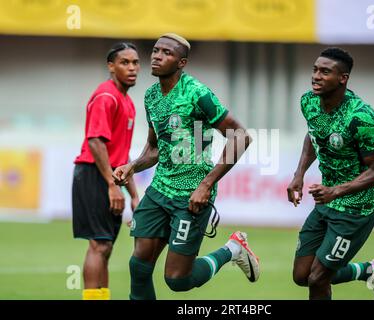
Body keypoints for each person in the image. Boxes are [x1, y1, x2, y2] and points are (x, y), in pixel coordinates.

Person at [112, 33, 260, 300]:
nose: (157, 56)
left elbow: (241, 136)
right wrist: (132, 165)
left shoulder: (197, 93)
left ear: (181, 63)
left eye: (166, 53)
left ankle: (232, 249)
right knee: (139, 265)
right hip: (159, 190)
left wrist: (206, 185)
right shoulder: (151, 96)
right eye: (156, 50)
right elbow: (155, 148)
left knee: (177, 281)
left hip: (191, 194)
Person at [287, 47, 374, 300]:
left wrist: (336, 191)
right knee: (302, 275)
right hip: (328, 201)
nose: (316, 76)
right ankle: (369, 270)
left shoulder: (360, 117)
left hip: (359, 206)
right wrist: (299, 174)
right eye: (315, 70)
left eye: (325, 71)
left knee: (317, 278)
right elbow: (315, 135)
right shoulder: (309, 102)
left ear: (343, 78)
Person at [72, 43, 141, 300]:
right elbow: (95, 142)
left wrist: (133, 194)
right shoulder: (106, 96)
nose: (132, 68)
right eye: (125, 62)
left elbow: (122, 156)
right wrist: (112, 186)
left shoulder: (127, 102)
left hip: (110, 176)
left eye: (135, 63)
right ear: (111, 66)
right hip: (93, 174)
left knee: (106, 247)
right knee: (99, 244)